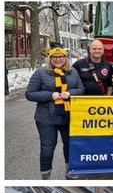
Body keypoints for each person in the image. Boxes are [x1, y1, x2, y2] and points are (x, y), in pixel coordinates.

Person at [25, 43, 85, 180]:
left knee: (70, 144)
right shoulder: (41, 73)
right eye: (55, 57)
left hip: (68, 116)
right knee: (47, 147)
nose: (58, 59)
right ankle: (45, 174)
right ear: (50, 58)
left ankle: (70, 169)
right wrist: (50, 95)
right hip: (46, 117)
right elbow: (30, 94)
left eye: (61, 56)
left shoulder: (73, 72)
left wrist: (70, 93)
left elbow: (81, 89)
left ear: (66, 58)